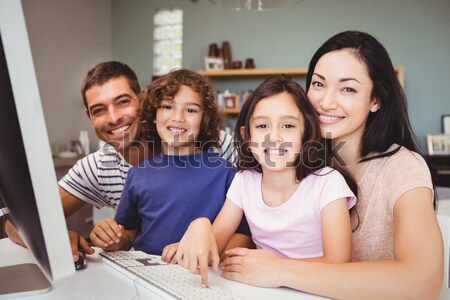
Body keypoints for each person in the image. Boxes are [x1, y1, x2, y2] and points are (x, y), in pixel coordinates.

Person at [218, 31, 443, 299]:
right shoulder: (294, 157)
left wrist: (281, 270)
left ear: (375, 100)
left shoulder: (402, 168)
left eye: (348, 88)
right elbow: (256, 223)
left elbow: (423, 281)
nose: (326, 102)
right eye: (318, 84)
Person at [5, 61, 237, 261]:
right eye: (99, 110)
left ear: (143, 99)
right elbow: (18, 221)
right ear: (89, 116)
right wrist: (54, 238)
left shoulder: (219, 147)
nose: (114, 117)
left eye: (123, 101)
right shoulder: (96, 168)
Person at [166, 75, 358, 286]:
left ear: (306, 133)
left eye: (288, 126)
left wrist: (275, 269)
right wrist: (198, 230)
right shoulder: (244, 181)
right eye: (262, 126)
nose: (274, 137)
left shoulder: (328, 183)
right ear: (246, 136)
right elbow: (215, 246)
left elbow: (340, 264)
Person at [89, 69, 250, 255]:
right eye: (167, 107)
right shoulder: (138, 174)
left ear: (204, 120)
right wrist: (111, 238)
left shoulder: (226, 174)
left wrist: (206, 253)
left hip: (203, 276)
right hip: (146, 276)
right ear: (154, 116)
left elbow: (245, 236)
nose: (178, 117)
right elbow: (127, 236)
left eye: (190, 110)